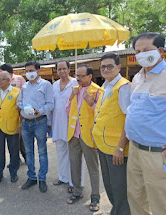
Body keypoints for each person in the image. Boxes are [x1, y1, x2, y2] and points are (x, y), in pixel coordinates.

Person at [125, 32, 166, 215]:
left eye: (147, 50)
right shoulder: (137, 78)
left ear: (161, 50)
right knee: (136, 199)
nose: (141, 54)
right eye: (138, 51)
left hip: (160, 154)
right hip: (135, 151)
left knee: (164, 205)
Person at [92, 53, 131, 215]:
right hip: (104, 145)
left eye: (110, 66)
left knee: (119, 187)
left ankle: (122, 211)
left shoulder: (123, 87)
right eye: (103, 66)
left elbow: (130, 120)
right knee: (109, 184)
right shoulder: (105, 86)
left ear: (119, 67)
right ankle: (116, 210)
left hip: (116, 148)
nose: (106, 69)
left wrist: (120, 148)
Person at [65, 64, 101, 211]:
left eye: (81, 76)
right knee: (74, 164)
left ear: (90, 76)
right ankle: (77, 191)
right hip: (74, 134)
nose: (78, 78)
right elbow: (67, 110)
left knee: (92, 167)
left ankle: (95, 196)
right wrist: (71, 96)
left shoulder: (97, 91)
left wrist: (91, 103)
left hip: (88, 135)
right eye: (77, 76)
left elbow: (101, 114)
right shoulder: (75, 90)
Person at [48, 61, 86, 192]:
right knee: (61, 152)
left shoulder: (76, 83)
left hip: (72, 125)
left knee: (74, 155)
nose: (62, 71)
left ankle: (75, 182)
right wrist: (49, 123)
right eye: (59, 69)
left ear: (69, 69)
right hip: (58, 124)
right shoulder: (54, 85)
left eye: (64, 68)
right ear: (56, 71)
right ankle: (63, 177)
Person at [17, 61, 54, 193]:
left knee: (42, 152)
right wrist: (20, 105)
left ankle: (42, 178)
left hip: (39, 122)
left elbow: (50, 104)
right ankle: (31, 177)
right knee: (29, 151)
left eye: (31, 70)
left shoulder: (46, 85)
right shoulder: (25, 86)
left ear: (38, 71)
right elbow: (19, 101)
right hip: (26, 123)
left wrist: (39, 111)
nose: (29, 73)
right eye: (27, 71)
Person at [0, 63, 27, 164]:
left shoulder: (19, 79)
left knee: (21, 137)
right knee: (11, 140)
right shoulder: (1, 81)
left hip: (19, 112)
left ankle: (27, 158)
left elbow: (25, 91)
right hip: (8, 114)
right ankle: (16, 160)